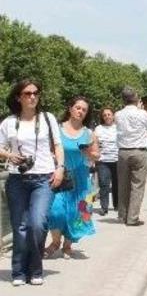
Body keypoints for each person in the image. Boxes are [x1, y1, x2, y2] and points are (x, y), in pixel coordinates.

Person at [0, 79, 65, 286]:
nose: (32, 97)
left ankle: (35, 269)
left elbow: (57, 145)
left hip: (43, 178)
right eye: (27, 93)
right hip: (17, 179)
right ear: (18, 97)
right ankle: (19, 272)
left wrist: (60, 168)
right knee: (20, 226)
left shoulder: (48, 118)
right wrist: (10, 155)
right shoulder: (9, 122)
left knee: (37, 223)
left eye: (35, 93)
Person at [46, 96, 98, 258]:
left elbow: (97, 155)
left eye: (84, 110)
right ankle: (55, 242)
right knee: (55, 211)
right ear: (70, 108)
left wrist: (90, 153)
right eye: (78, 107)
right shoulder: (57, 129)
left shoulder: (89, 133)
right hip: (61, 178)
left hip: (82, 180)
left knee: (80, 213)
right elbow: (47, 150)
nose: (80, 111)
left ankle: (67, 245)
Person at [115, 86, 147, 227]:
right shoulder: (142, 113)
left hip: (123, 152)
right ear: (136, 98)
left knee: (123, 185)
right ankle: (132, 218)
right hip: (139, 151)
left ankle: (122, 215)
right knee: (137, 186)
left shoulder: (118, 114)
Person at [93, 107, 119, 216]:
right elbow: (94, 143)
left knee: (117, 184)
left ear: (113, 116)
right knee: (104, 184)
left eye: (109, 114)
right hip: (103, 160)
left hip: (117, 159)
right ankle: (104, 207)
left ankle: (117, 205)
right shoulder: (98, 129)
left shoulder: (118, 128)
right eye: (105, 115)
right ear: (102, 117)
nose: (107, 116)